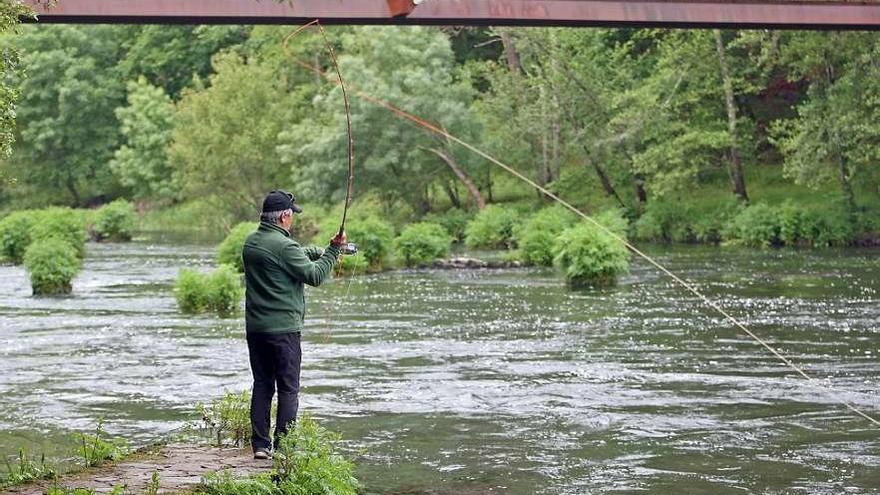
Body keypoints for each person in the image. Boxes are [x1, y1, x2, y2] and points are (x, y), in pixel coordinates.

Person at [242, 189, 346, 459]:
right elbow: (314, 275)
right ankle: (285, 447)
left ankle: (261, 446)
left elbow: (288, 256)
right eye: (292, 215)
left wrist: (317, 250)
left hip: (256, 330)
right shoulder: (285, 247)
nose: (293, 220)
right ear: (285, 217)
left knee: (263, 384)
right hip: (283, 331)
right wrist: (334, 250)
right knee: (288, 389)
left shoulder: (251, 242)